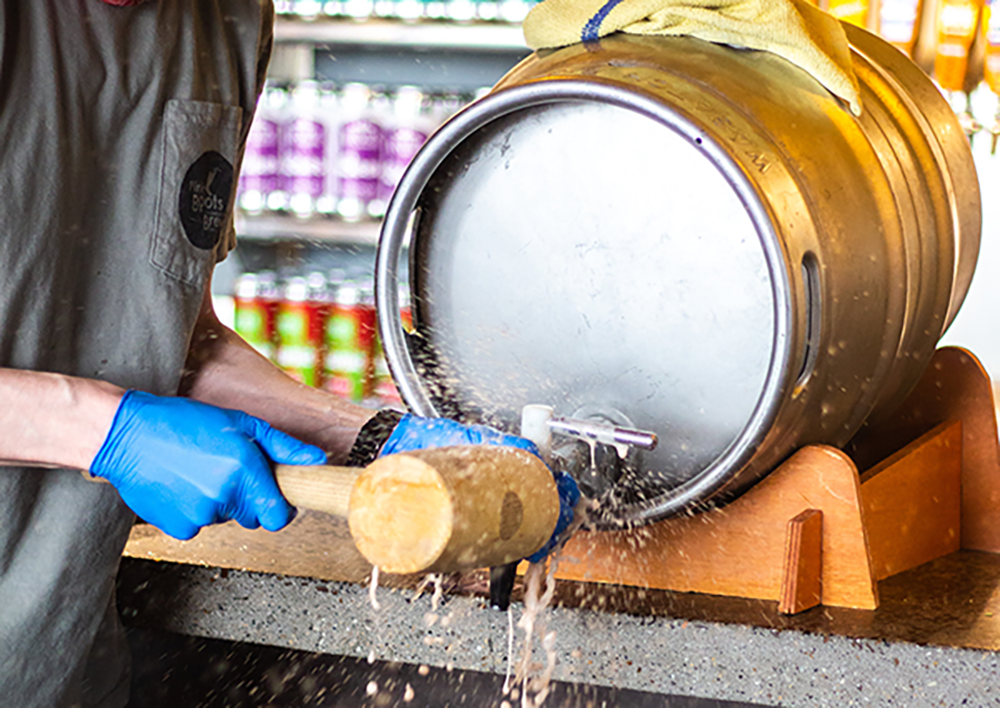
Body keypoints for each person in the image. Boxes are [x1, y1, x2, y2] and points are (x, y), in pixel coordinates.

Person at [0, 2, 576, 707]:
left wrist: (368, 438)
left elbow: (169, 336)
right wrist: (104, 430)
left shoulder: (226, 19)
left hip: (58, 667)